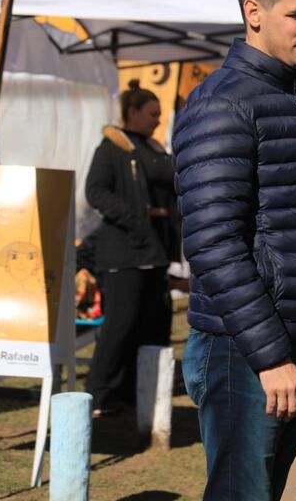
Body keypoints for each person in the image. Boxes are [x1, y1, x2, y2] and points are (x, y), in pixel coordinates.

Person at [172, 0, 296, 501]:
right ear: (254, 12)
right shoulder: (220, 104)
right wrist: (270, 356)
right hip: (242, 351)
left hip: (291, 339)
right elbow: (213, 243)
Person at [84, 80, 179, 416]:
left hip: (155, 251)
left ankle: (134, 393)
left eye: (159, 114)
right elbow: (95, 191)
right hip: (124, 250)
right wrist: (134, 219)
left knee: (152, 323)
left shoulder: (153, 149)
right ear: (133, 112)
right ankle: (99, 393)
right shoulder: (112, 148)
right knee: (120, 324)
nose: (158, 120)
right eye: (152, 114)